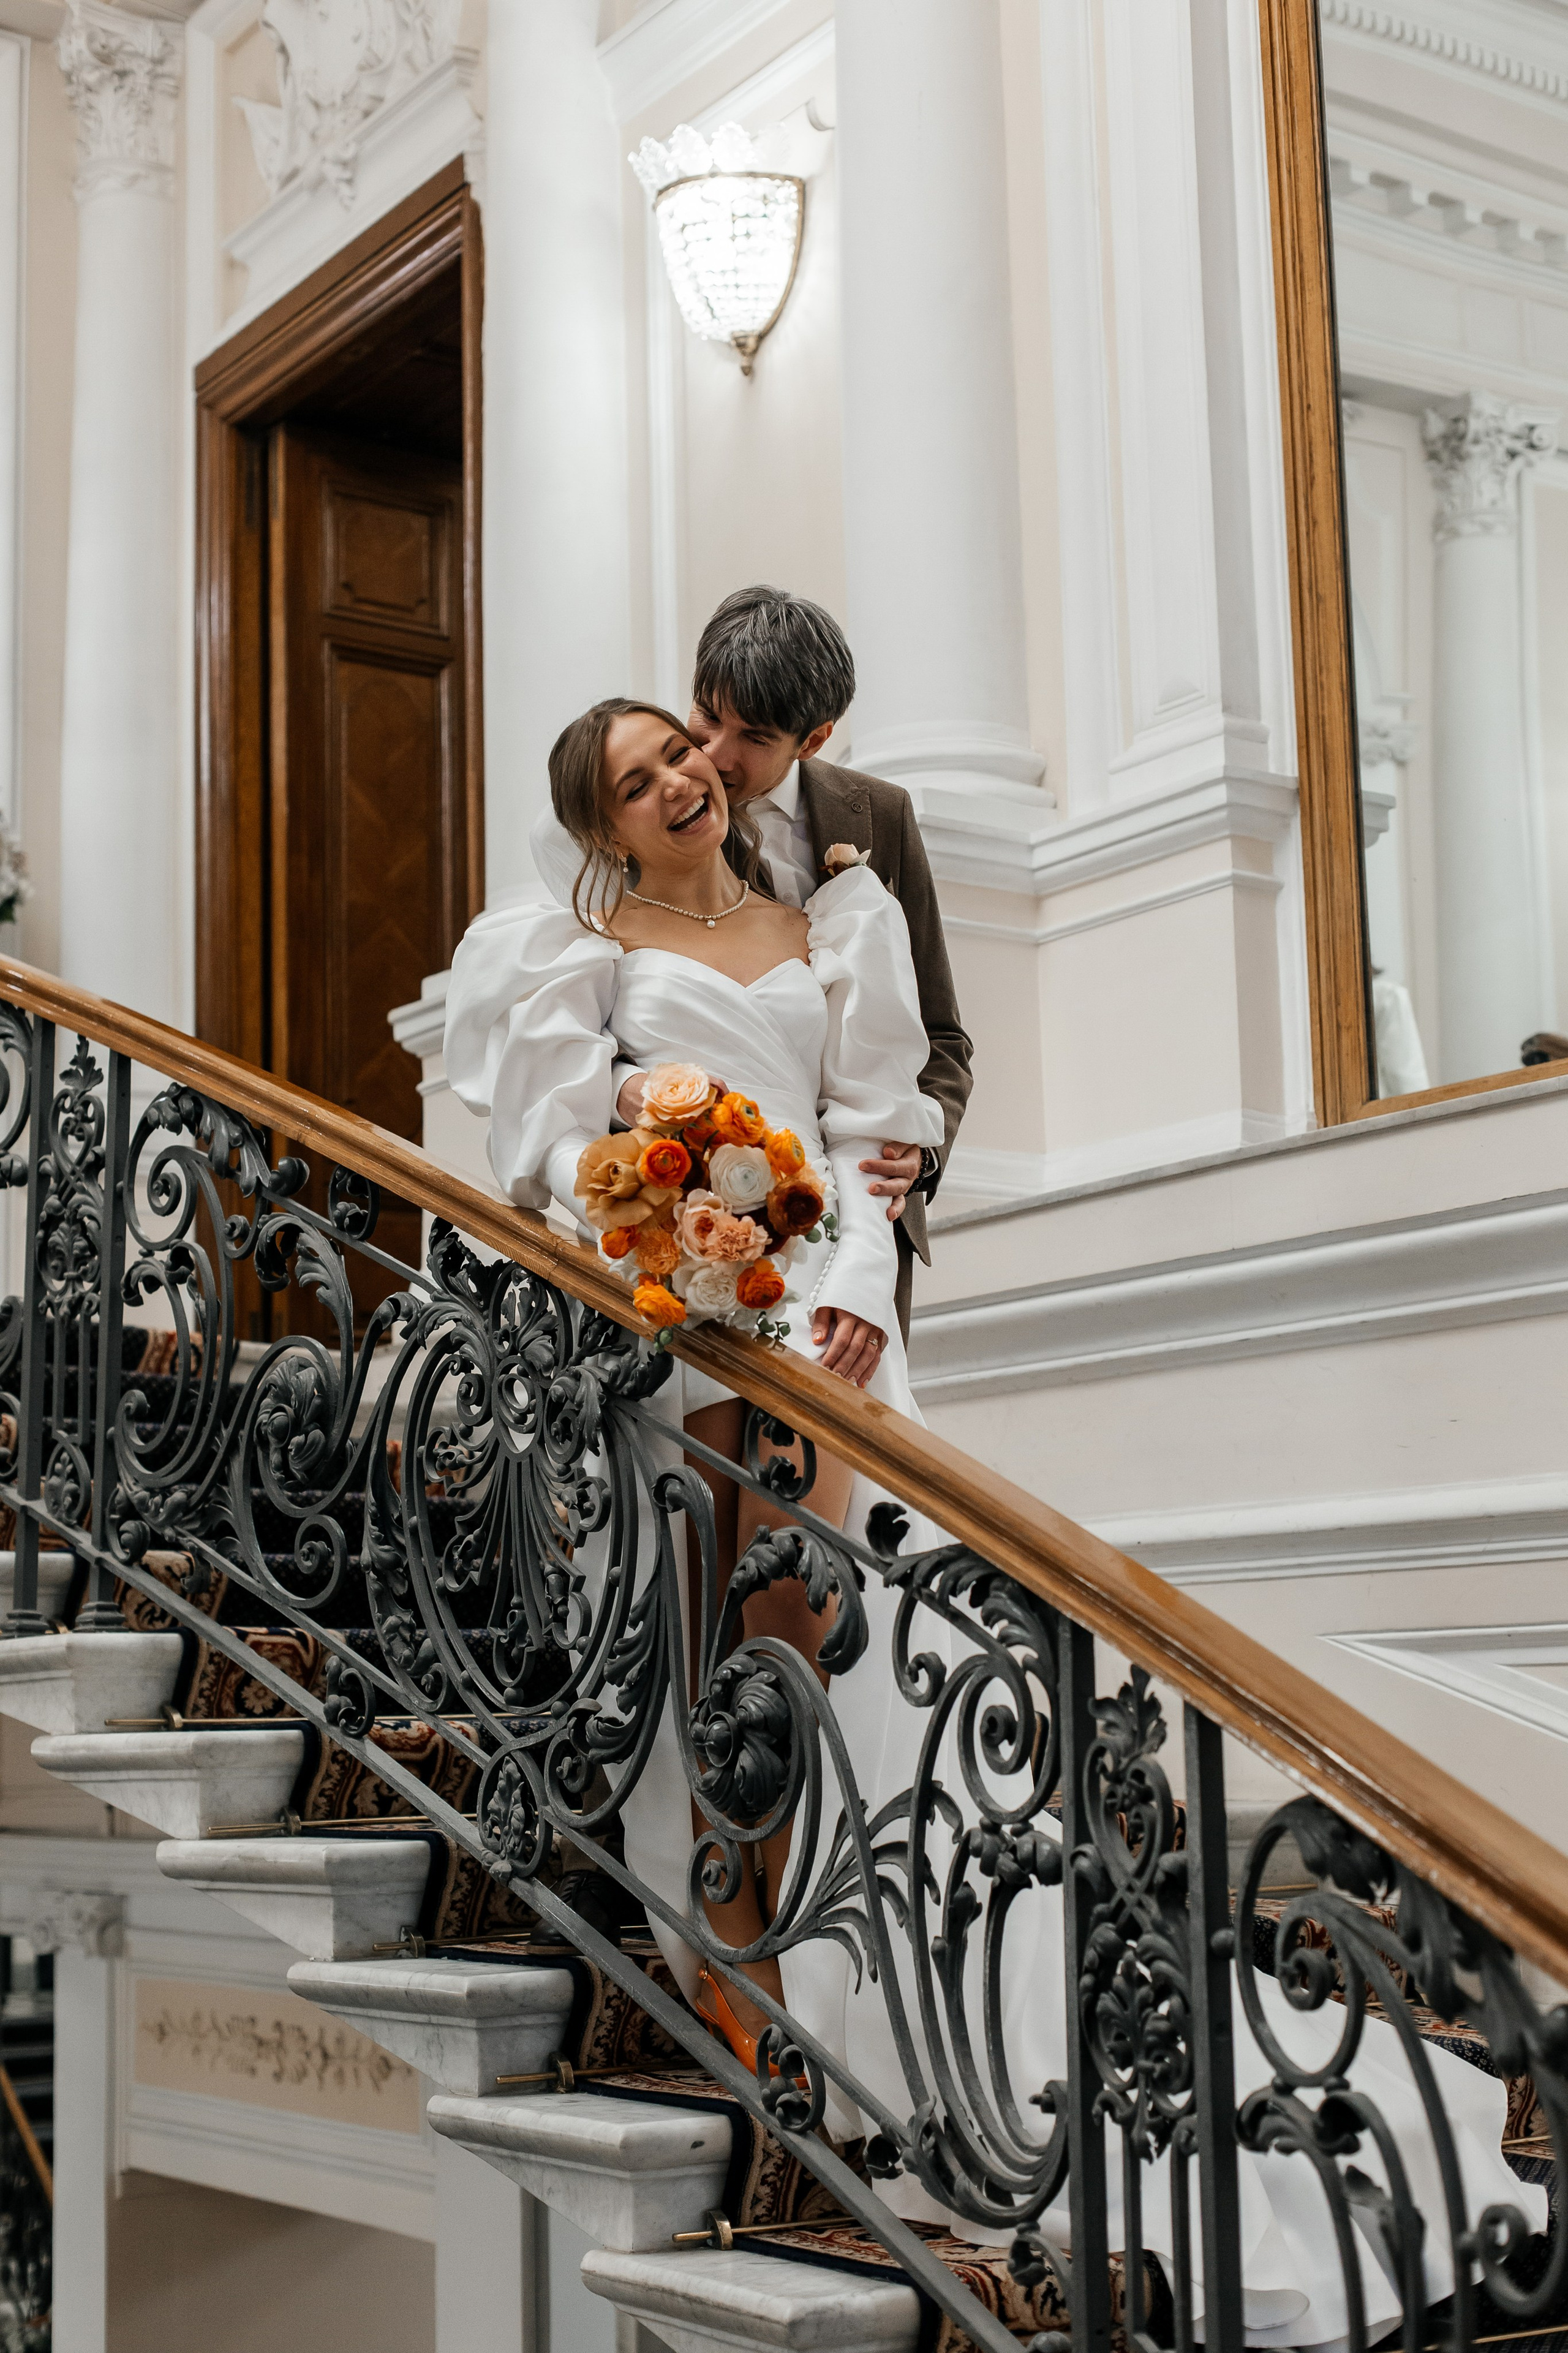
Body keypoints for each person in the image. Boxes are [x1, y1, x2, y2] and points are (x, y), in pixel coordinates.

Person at [445, 700, 1539, 2344]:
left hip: (829, 1319)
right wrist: (670, 1214)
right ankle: (749, 1971)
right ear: (603, 827)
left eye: (679, 751)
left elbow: (877, 1136)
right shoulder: (580, 954)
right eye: (635, 778)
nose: (676, 778)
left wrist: (848, 1278)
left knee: (840, 1631)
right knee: (729, 1645)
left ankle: (879, 1998)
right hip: (688, 1312)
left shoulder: (824, 918)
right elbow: (548, 1146)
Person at [529, 586, 973, 1341]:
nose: (713, 754)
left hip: (850, 1215)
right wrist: (627, 1087)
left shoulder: (880, 815)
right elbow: (581, 1010)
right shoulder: (627, 812)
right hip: (689, 1219)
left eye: (754, 737)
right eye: (706, 716)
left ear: (814, 739)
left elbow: (938, 1030)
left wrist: (919, 1150)